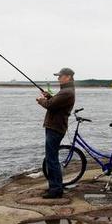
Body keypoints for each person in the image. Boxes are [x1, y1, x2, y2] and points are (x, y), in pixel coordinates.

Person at [36, 67, 76, 199]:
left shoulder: (67, 92)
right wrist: (50, 97)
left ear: (68, 77)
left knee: (52, 159)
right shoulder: (66, 91)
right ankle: (55, 187)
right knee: (51, 158)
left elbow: (50, 105)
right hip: (55, 127)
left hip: (55, 128)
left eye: (60, 76)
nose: (58, 78)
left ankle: (56, 189)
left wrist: (41, 100)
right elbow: (55, 103)